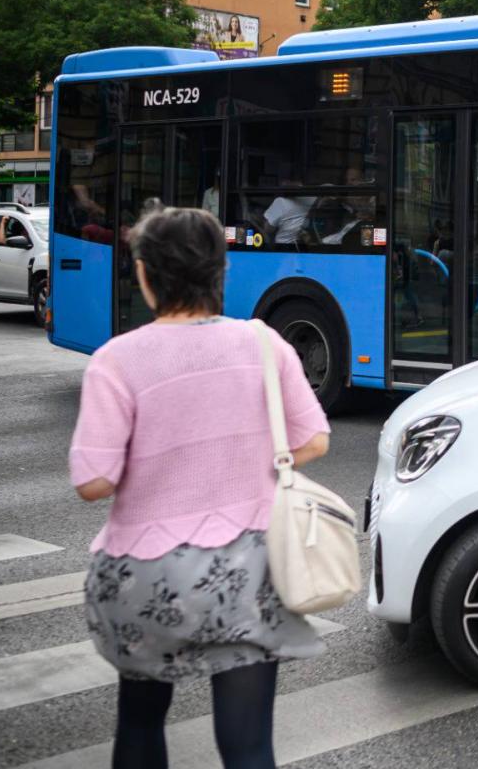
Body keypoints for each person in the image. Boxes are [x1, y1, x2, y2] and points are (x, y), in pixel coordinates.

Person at [68, 206, 330, 768]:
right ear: (221, 271)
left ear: (144, 273)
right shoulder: (265, 345)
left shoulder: (116, 360)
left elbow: (93, 482)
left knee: (139, 721)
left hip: (144, 574)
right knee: (249, 745)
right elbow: (313, 441)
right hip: (246, 572)